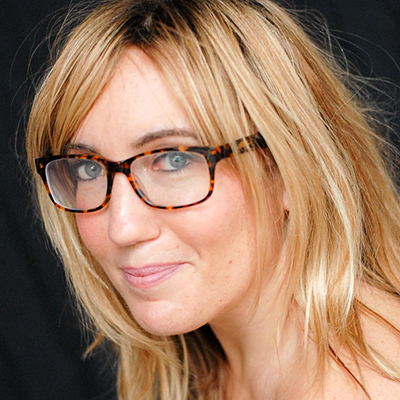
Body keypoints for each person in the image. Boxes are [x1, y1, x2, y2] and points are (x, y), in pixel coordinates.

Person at [25, 0, 400, 398]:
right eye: (87, 168)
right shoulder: (219, 370)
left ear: (289, 169)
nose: (122, 227)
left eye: (173, 159)